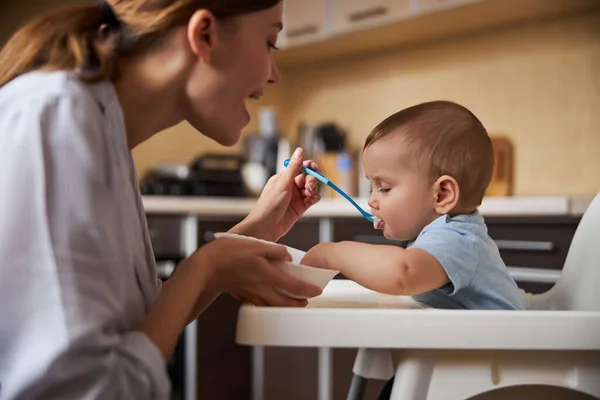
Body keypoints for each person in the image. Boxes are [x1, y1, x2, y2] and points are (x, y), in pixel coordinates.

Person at [0, 1, 323, 399]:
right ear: (204, 35)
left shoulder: (104, 134)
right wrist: (206, 267)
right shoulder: (54, 117)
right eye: (270, 41)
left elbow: (145, 324)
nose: (274, 74)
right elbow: (86, 389)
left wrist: (254, 231)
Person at [300, 100, 525, 398]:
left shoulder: (458, 237)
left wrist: (332, 253)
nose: (372, 201)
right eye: (372, 187)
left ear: (442, 194)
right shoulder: (436, 234)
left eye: (384, 187)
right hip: (467, 370)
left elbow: (402, 272)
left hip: (499, 380)